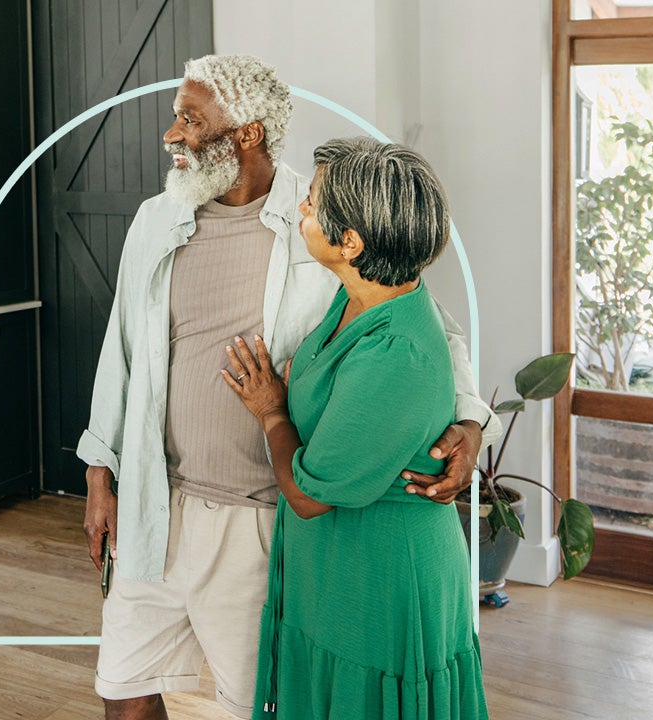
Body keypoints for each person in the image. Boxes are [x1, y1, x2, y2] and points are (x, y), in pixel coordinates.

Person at [78, 54, 499, 720]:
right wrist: (101, 474)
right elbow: (121, 352)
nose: (172, 135)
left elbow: (428, 324)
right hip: (157, 504)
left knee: (254, 704)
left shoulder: (323, 220)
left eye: (191, 118)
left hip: (260, 517)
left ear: (247, 133)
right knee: (123, 690)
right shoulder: (154, 221)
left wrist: (471, 421)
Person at [224, 138, 489, 718]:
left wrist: (271, 409)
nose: (300, 210)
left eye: (313, 204)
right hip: (340, 572)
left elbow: (309, 495)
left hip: (381, 585)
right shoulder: (360, 297)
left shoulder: (394, 351)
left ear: (351, 242)